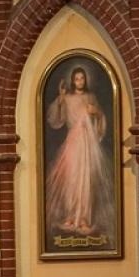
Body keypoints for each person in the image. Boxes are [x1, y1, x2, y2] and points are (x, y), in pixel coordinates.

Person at [44, 65, 114, 243]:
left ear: (85, 80)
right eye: (77, 79)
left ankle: (83, 218)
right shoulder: (66, 98)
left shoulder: (91, 97)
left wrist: (96, 113)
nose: (79, 81)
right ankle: (70, 215)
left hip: (87, 143)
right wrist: (60, 99)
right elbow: (56, 119)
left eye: (82, 78)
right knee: (71, 179)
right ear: (72, 81)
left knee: (86, 180)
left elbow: (100, 118)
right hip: (73, 143)